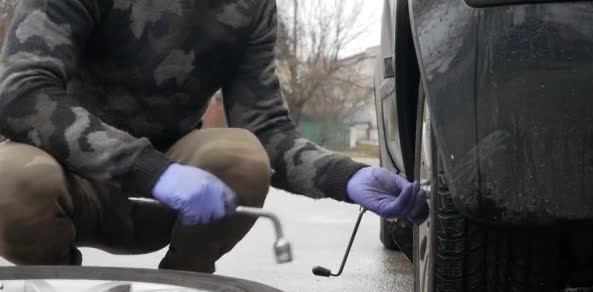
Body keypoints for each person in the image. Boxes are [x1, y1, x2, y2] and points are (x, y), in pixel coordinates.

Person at [0, 0, 428, 273]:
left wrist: (346, 178)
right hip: (68, 191)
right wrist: (151, 171)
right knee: (9, 180)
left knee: (240, 154)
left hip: (170, 203)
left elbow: (266, 130)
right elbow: (21, 91)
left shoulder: (250, 7)